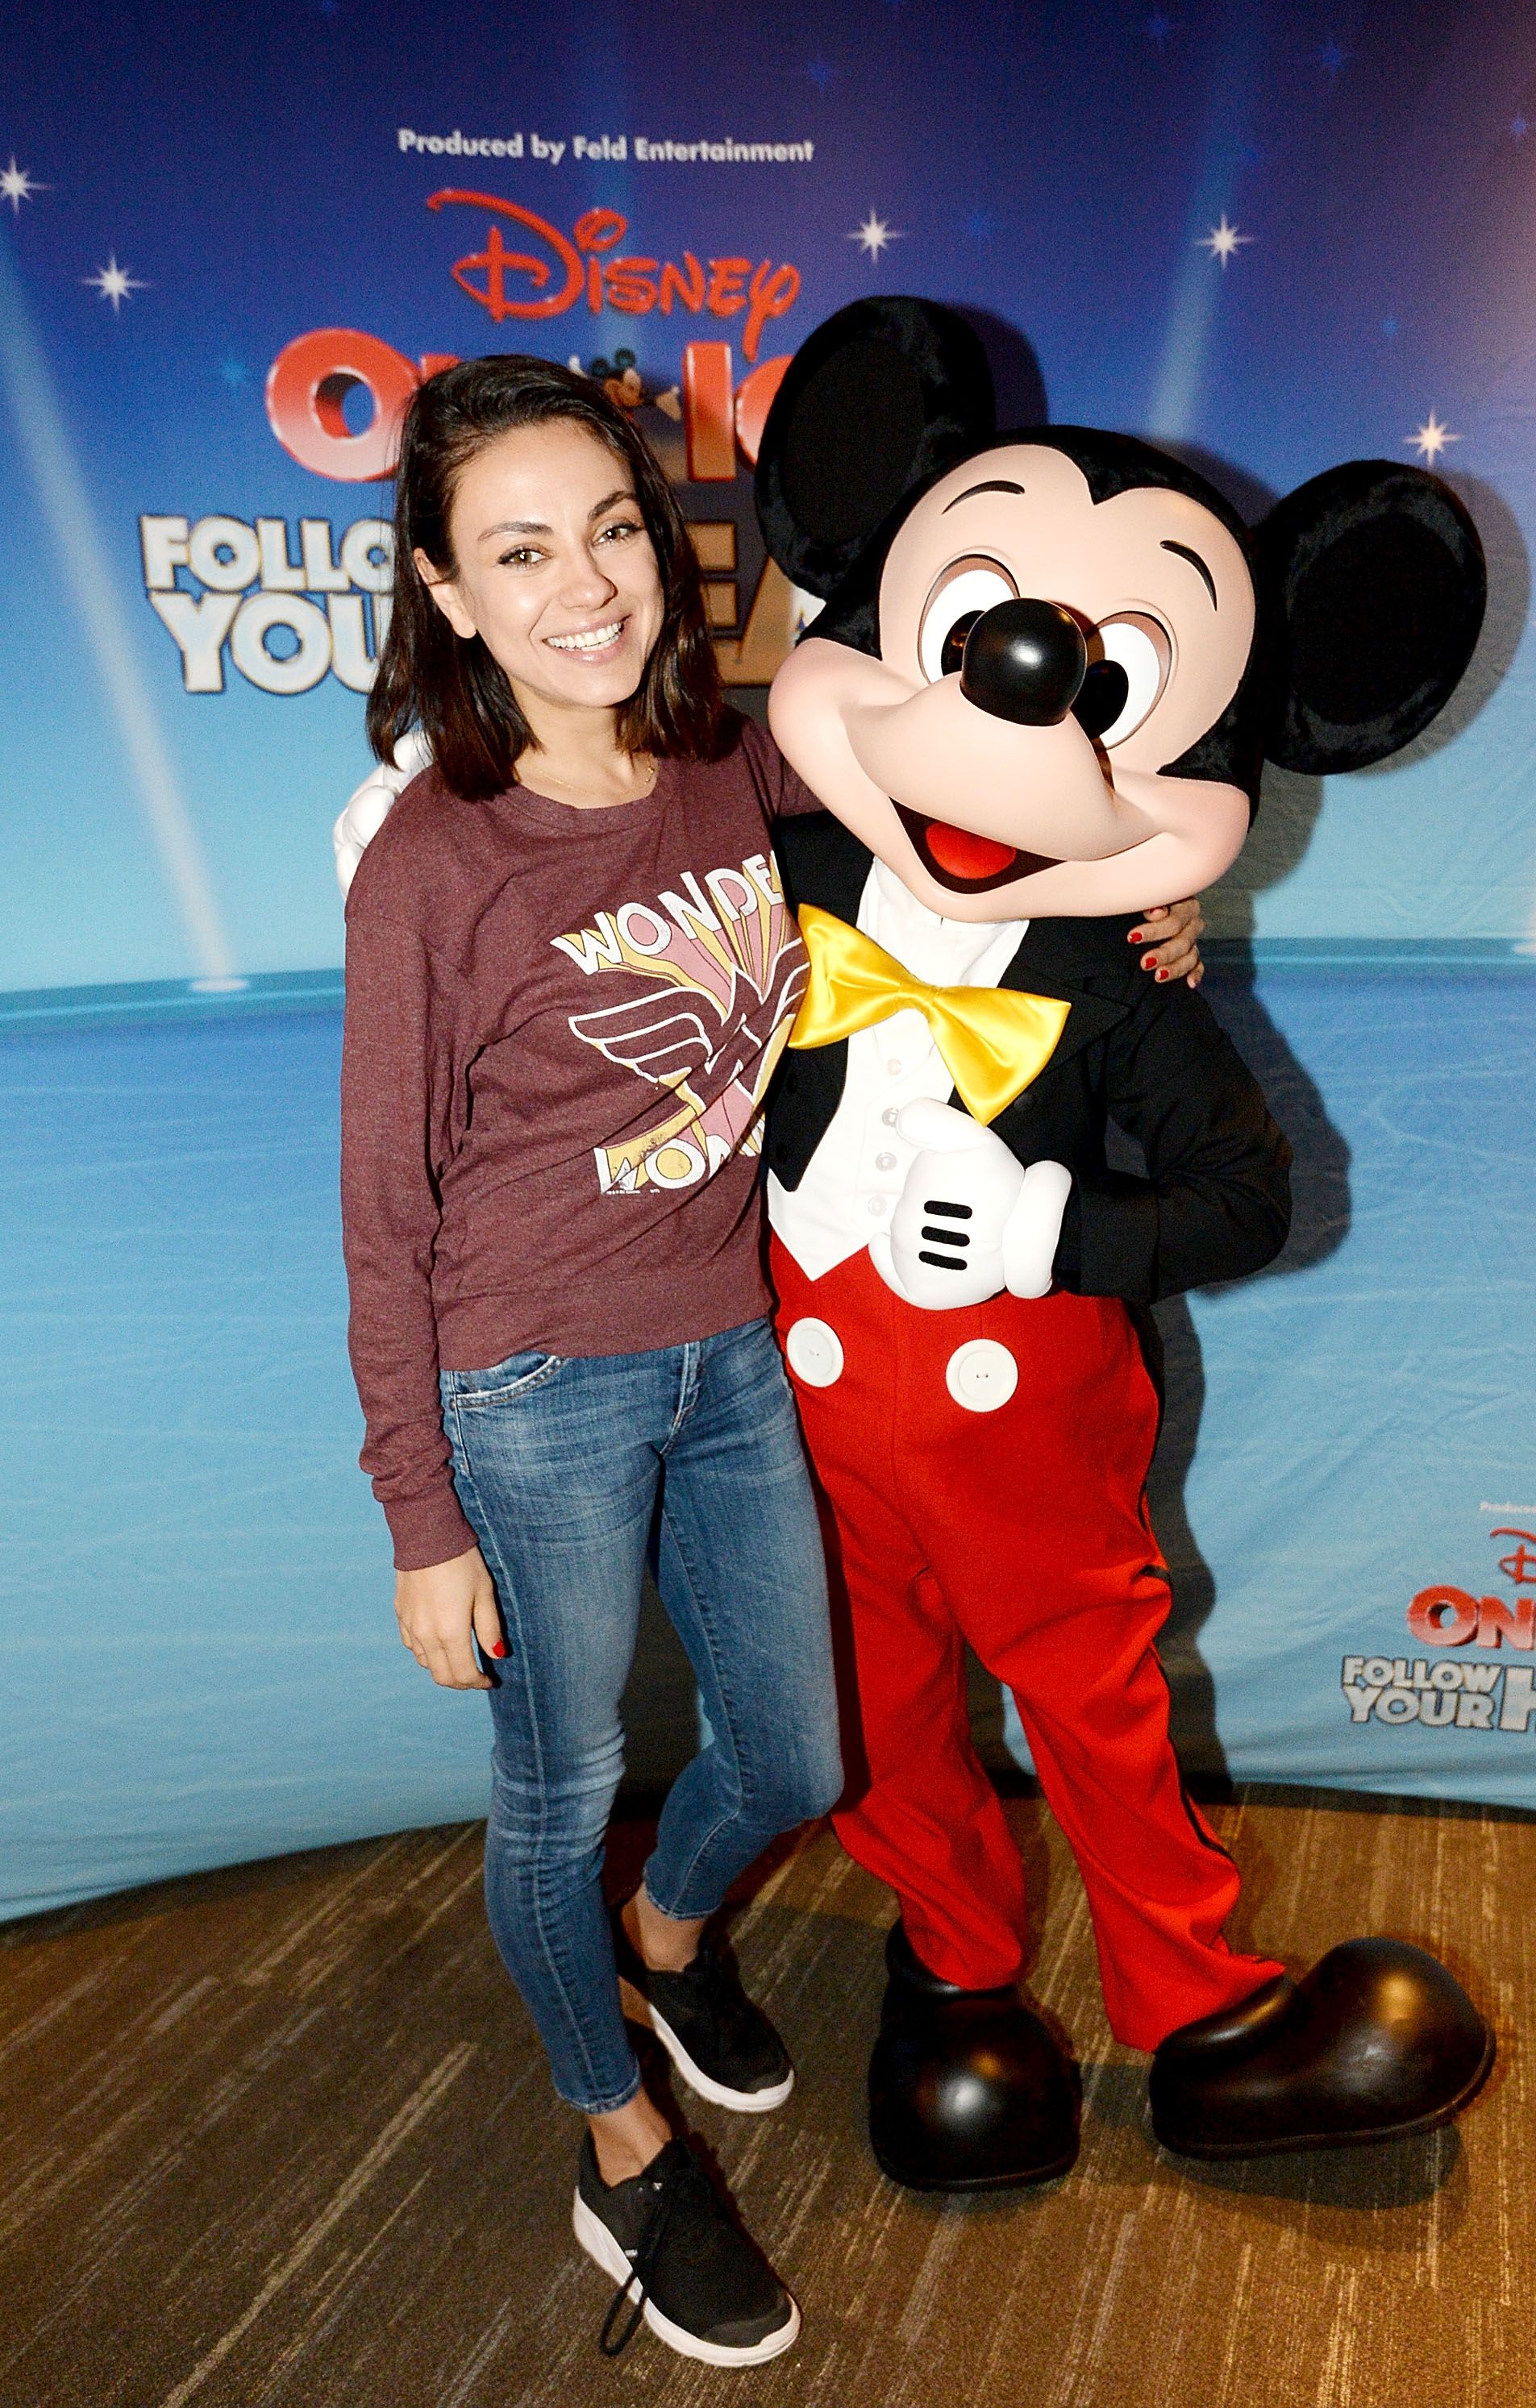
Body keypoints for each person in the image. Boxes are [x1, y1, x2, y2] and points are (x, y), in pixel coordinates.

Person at [338, 353, 1205, 2361]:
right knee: (554, 1792)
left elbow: (981, 835)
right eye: (522, 550)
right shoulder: (433, 867)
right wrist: (419, 1516)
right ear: (450, 593)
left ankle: (664, 1940)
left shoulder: (736, 768)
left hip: (739, 1355)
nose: (588, 585)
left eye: (617, 530)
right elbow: (384, 1216)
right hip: (534, 1393)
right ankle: (620, 2144)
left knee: (803, 1754)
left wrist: (1162, 903)